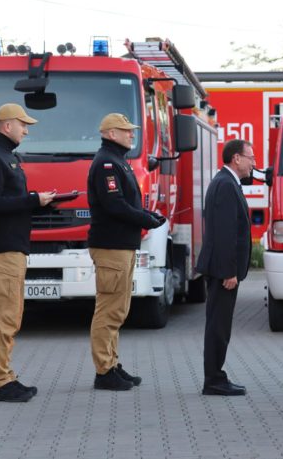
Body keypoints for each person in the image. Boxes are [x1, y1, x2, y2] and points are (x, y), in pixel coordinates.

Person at [0, 103, 56, 402]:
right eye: (23, 124)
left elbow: (11, 200)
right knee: (3, 317)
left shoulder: (6, 156)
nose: (27, 129)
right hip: (2, 247)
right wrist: (34, 200)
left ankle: (5, 376)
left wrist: (40, 201)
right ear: (7, 126)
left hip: (12, 246)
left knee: (11, 315)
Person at [87, 113, 167, 391]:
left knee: (118, 309)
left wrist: (147, 214)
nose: (131, 134)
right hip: (111, 245)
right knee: (108, 310)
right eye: (126, 131)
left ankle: (111, 364)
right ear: (110, 134)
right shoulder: (107, 163)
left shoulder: (117, 161)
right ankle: (103, 371)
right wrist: (145, 219)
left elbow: (123, 203)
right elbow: (115, 205)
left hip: (121, 245)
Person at [197, 139, 253, 396]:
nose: (253, 163)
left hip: (223, 269)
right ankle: (214, 379)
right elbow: (224, 233)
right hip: (223, 271)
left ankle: (215, 376)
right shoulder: (226, 185)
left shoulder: (227, 182)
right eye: (250, 157)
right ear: (236, 159)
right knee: (218, 326)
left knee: (220, 324)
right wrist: (229, 271)